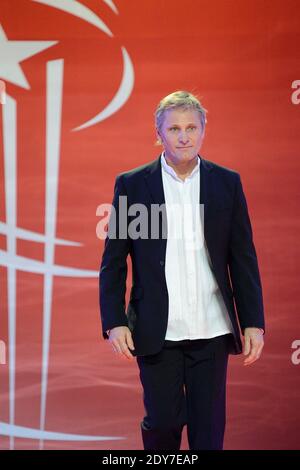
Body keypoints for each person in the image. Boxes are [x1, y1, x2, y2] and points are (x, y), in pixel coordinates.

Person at [99, 90, 265, 450]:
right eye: (174, 128)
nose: (184, 136)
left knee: (208, 433)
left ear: (204, 130)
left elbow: (243, 258)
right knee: (162, 425)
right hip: (159, 330)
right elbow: (114, 261)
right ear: (158, 133)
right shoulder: (133, 185)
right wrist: (114, 321)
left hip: (212, 328)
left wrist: (253, 322)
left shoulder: (226, 183)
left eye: (192, 127)